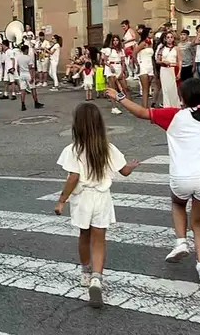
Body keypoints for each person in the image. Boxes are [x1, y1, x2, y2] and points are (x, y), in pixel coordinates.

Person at [107, 79, 200, 282]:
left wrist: (120, 97)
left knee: (178, 204)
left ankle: (180, 242)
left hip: (182, 176)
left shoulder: (173, 115)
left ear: (182, 97)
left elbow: (141, 113)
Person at [53, 102, 139, 308]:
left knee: (84, 236)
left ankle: (85, 271)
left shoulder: (73, 150)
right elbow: (124, 171)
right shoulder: (107, 148)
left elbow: (73, 177)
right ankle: (97, 278)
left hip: (82, 198)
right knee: (99, 240)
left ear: (77, 126)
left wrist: (61, 200)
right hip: (102, 198)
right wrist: (132, 166)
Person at [157, 31, 182, 107]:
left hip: (174, 69)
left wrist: (179, 72)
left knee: (173, 89)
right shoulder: (161, 49)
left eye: (171, 37)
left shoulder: (177, 48)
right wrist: (163, 62)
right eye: (168, 37)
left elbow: (180, 60)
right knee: (165, 89)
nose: (170, 39)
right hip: (164, 69)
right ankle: (167, 106)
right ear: (165, 39)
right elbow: (157, 60)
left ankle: (175, 105)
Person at [104, 35, 127, 114]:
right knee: (112, 88)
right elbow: (104, 61)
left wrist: (122, 71)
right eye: (114, 40)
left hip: (119, 67)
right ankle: (113, 107)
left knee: (125, 87)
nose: (115, 42)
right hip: (111, 67)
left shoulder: (121, 50)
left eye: (117, 40)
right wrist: (110, 66)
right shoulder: (109, 50)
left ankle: (129, 104)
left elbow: (123, 62)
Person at [17, 44, 45, 110]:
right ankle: (36, 102)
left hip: (22, 74)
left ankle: (23, 104)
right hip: (28, 74)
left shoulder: (19, 58)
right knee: (33, 89)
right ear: (26, 50)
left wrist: (19, 74)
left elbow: (17, 67)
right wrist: (32, 77)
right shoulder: (29, 58)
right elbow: (31, 68)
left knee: (23, 90)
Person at [135, 28, 156, 108]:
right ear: (146, 33)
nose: (152, 34)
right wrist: (137, 65)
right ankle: (144, 107)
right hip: (143, 65)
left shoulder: (151, 42)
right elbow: (134, 53)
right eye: (150, 32)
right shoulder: (143, 43)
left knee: (148, 88)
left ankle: (145, 105)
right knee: (145, 88)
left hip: (150, 66)